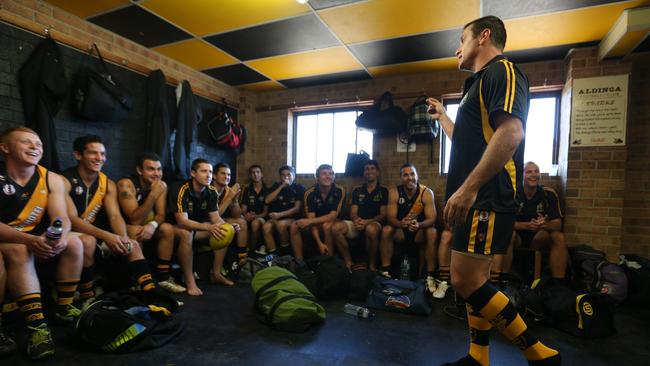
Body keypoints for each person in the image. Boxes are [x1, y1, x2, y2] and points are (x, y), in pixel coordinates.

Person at [427, 16, 560, 366]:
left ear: (484, 37)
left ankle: (539, 354)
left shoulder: (504, 71)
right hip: (475, 195)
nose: (457, 47)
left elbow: (511, 133)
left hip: (487, 195)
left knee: (463, 280)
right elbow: (471, 145)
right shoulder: (477, 84)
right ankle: (478, 356)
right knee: (476, 281)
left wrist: (470, 188)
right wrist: (443, 117)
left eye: (462, 38)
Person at [0, 127, 84, 359]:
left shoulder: (51, 178)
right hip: (10, 239)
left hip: (31, 238)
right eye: (26, 142)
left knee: (75, 243)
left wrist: (57, 238)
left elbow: (62, 217)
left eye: (38, 144)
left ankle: (64, 307)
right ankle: (38, 327)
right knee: (19, 249)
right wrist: (29, 240)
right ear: (5, 147)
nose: (35, 147)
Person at [61, 136, 157, 305]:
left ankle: (152, 294)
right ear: (78, 155)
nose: (100, 158)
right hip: (71, 233)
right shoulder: (63, 179)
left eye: (103, 154)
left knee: (132, 242)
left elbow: (114, 216)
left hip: (98, 234)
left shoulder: (108, 183)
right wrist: (107, 236)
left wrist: (122, 237)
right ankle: (87, 295)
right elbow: (72, 219)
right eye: (93, 153)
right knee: (88, 241)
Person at [116, 152, 185, 293]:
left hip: (143, 225)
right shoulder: (126, 185)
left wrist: (152, 226)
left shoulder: (161, 185)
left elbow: (160, 214)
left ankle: (163, 278)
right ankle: (137, 281)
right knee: (136, 229)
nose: (156, 173)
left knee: (167, 228)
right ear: (139, 170)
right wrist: (153, 194)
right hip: (121, 227)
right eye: (151, 169)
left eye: (159, 169)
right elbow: (134, 219)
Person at [170, 158, 235, 294]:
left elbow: (215, 217)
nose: (208, 175)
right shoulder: (181, 189)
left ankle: (216, 274)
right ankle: (190, 282)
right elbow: (182, 221)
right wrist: (207, 227)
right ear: (193, 173)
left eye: (210, 172)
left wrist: (227, 226)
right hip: (173, 228)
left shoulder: (211, 191)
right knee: (187, 233)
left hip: (195, 229)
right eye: (204, 171)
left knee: (224, 230)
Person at [498, 161, 567, 284]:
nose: (533, 175)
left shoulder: (549, 194)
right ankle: (503, 281)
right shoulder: (512, 194)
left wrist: (545, 225)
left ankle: (559, 285)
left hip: (539, 238)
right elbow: (502, 223)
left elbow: (558, 224)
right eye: (529, 172)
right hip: (517, 238)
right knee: (507, 234)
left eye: (536, 171)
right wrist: (526, 226)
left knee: (559, 237)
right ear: (522, 175)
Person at [379, 164, 442, 296]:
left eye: (412, 174)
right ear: (401, 178)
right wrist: (400, 223)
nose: (410, 178)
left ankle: (430, 276)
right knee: (386, 230)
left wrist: (419, 225)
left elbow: (432, 219)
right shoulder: (394, 192)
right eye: (406, 175)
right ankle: (386, 272)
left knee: (432, 232)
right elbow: (390, 218)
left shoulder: (426, 192)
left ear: (417, 176)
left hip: (419, 231)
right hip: (401, 230)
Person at [331, 160, 388, 270]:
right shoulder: (357, 190)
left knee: (371, 229)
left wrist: (367, 222)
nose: (369, 171)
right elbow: (353, 212)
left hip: (374, 223)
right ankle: (349, 263)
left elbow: (383, 215)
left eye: (372, 168)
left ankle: (371, 265)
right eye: (367, 169)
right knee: (335, 228)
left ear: (378, 172)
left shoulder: (384, 190)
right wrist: (356, 220)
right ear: (364, 173)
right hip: (357, 223)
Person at [290, 164, 344, 262]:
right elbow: (311, 220)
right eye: (324, 174)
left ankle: (329, 262)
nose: (328, 176)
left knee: (326, 225)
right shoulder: (310, 193)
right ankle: (299, 263)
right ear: (317, 177)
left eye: (331, 174)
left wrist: (311, 221)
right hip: (316, 223)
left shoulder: (340, 190)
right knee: (294, 225)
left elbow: (333, 216)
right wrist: (319, 243)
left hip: (334, 222)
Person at [262, 165, 305, 254]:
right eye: (283, 175)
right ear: (280, 177)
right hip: (275, 217)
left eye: (289, 175)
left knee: (281, 225)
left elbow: (296, 209)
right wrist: (281, 187)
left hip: (291, 218)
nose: (286, 177)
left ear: (294, 175)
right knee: (266, 227)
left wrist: (279, 215)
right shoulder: (276, 186)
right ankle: (273, 254)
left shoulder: (299, 187)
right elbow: (267, 200)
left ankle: (285, 252)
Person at [211, 163, 248, 265]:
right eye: (223, 174)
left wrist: (235, 201)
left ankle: (242, 256)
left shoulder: (227, 190)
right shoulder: (209, 190)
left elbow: (236, 215)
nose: (227, 177)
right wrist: (230, 197)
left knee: (241, 222)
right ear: (214, 176)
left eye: (229, 175)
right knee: (227, 227)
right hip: (207, 221)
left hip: (221, 219)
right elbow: (215, 215)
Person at [240, 165, 268, 253]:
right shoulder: (247, 189)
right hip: (248, 216)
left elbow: (265, 212)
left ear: (262, 174)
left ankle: (253, 250)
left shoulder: (267, 190)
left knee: (255, 223)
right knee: (241, 222)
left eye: (258, 172)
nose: (255, 175)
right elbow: (243, 208)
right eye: (253, 172)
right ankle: (243, 250)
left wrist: (255, 216)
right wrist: (246, 215)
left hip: (262, 217)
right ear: (250, 175)